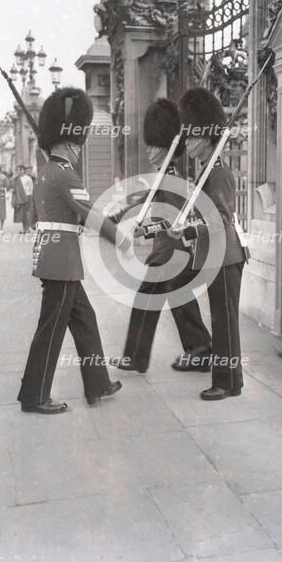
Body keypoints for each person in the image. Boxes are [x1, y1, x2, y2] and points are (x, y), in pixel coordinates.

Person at [17, 87, 131, 414]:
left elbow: (65, 218)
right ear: (69, 143)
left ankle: (97, 384)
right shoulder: (66, 175)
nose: (80, 151)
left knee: (84, 320)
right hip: (62, 264)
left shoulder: (47, 174)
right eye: (78, 145)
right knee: (51, 331)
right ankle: (35, 396)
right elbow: (91, 215)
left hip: (55, 259)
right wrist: (119, 237)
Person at [112, 98, 212, 374]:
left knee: (172, 302)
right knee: (168, 303)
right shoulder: (161, 177)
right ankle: (195, 350)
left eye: (154, 145)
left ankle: (198, 350)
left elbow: (173, 219)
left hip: (173, 252)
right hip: (164, 252)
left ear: (167, 147)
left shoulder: (171, 179)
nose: (148, 150)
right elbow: (141, 206)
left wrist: (147, 228)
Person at [170, 88, 247, 401]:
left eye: (190, 138)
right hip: (215, 256)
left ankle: (228, 383)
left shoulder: (218, 173)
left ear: (204, 137)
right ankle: (227, 379)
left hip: (226, 256)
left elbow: (220, 221)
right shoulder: (205, 172)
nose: (187, 145)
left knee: (225, 323)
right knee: (219, 319)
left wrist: (189, 230)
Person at [12, 165, 33, 233]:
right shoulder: (16, 179)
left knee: (27, 214)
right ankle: (24, 229)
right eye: (18, 170)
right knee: (22, 215)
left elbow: (31, 188)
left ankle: (28, 228)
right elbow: (13, 188)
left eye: (21, 170)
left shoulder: (28, 178)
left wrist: (31, 198)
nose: (19, 171)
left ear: (24, 170)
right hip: (19, 198)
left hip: (27, 197)